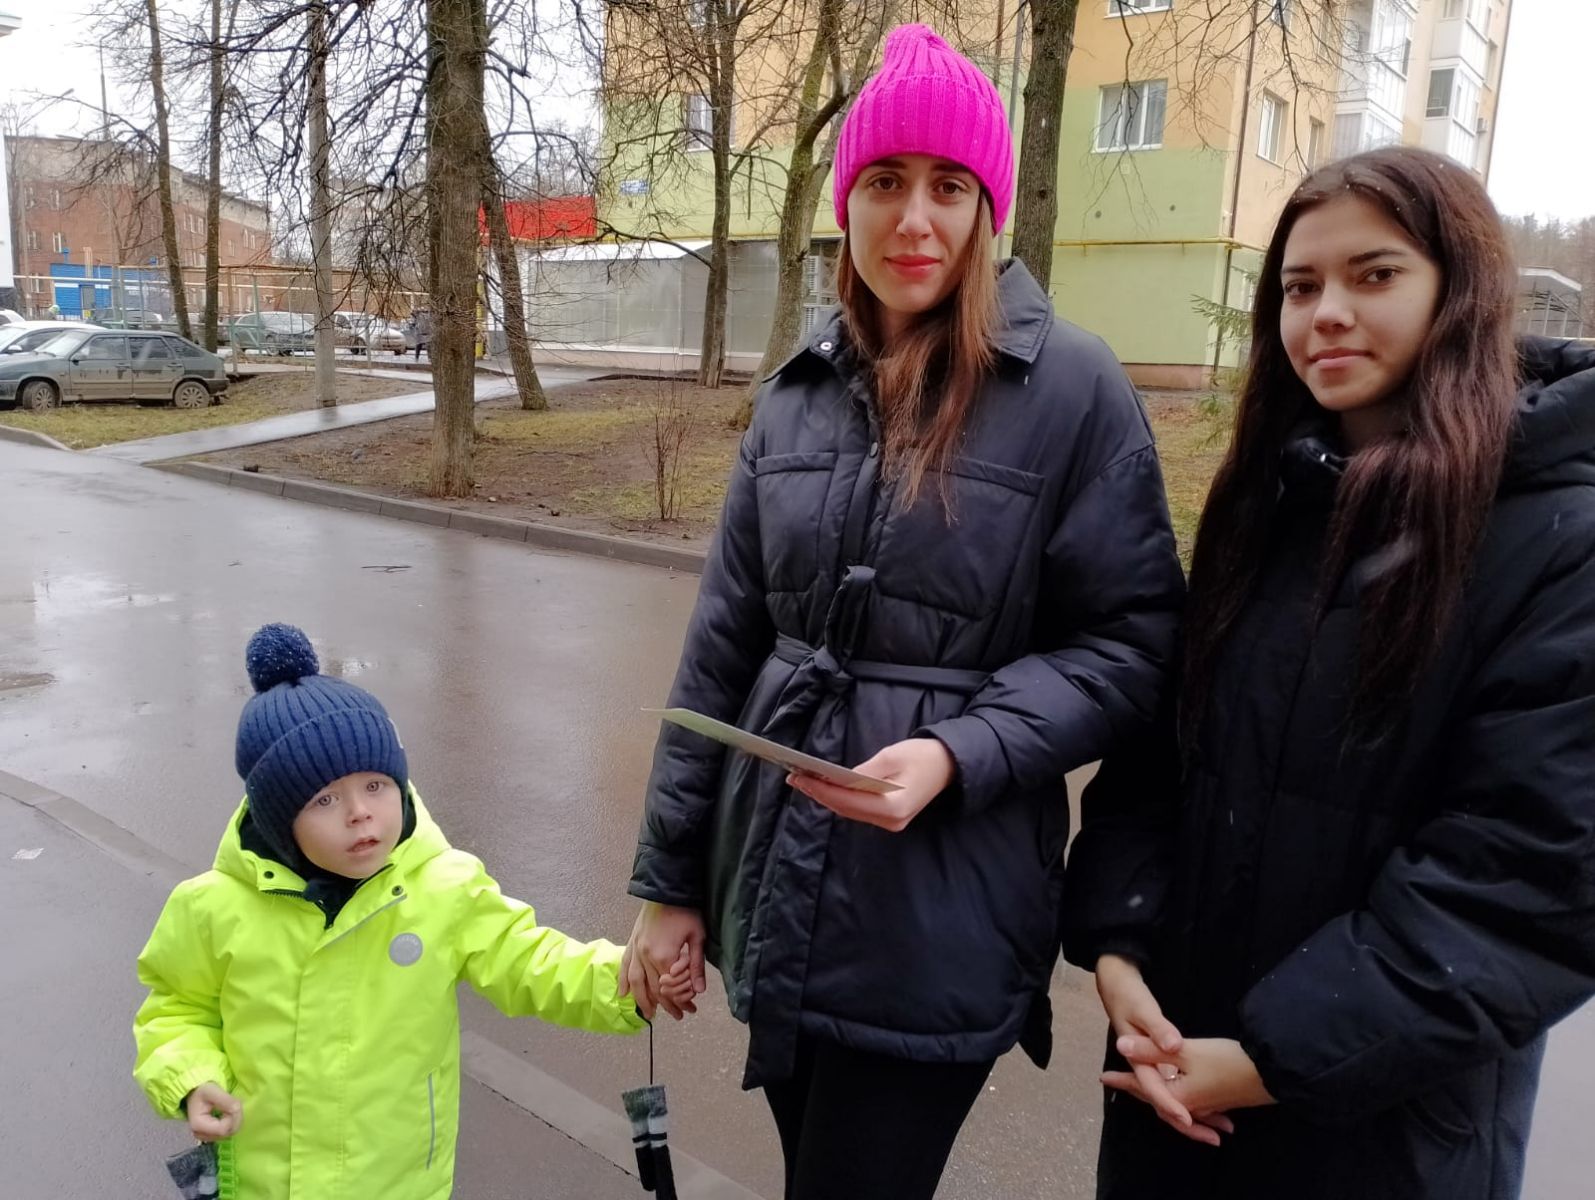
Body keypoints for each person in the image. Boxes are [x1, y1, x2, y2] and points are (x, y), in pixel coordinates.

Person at [621, 23, 1184, 1200]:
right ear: (846, 201)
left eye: (946, 186)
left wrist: (955, 751)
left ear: (986, 210)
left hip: (942, 908)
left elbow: (1129, 647)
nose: (913, 220)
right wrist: (670, 886)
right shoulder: (797, 391)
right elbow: (721, 647)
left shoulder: (1073, 391)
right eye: (883, 182)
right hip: (780, 883)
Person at [1062, 145, 1595, 1200]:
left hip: (1382, 1134)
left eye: (1374, 274)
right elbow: (1159, 759)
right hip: (1173, 1082)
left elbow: (1528, 880)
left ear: (1459, 290)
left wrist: (1267, 1061)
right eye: (1299, 287)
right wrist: (1118, 949)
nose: (1326, 314)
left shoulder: (1558, 541)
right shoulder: (1265, 504)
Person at [132, 623, 671, 1200]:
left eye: (376, 785)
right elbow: (176, 1010)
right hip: (267, 1183)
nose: (359, 813)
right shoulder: (214, 907)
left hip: (399, 1180)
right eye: (325, 799)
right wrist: (191, 1079)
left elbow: (529, 960)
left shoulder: (442, 888)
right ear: (277, 819)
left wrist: (632, 979)